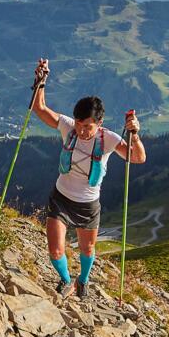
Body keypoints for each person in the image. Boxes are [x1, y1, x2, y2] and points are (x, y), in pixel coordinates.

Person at [29, 58, 146, 299]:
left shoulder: (109, 139)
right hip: (60, 198)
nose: (82, 131)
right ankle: (65, 281)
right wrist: (40, 82)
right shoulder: (68, 127)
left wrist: (135, 133)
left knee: (88, 247)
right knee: (55, 249)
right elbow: (39, 109)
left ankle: (83, 281)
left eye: (88, 126)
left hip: (88, 204)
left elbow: (137, 158)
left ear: (99, 123)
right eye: (80, 124)